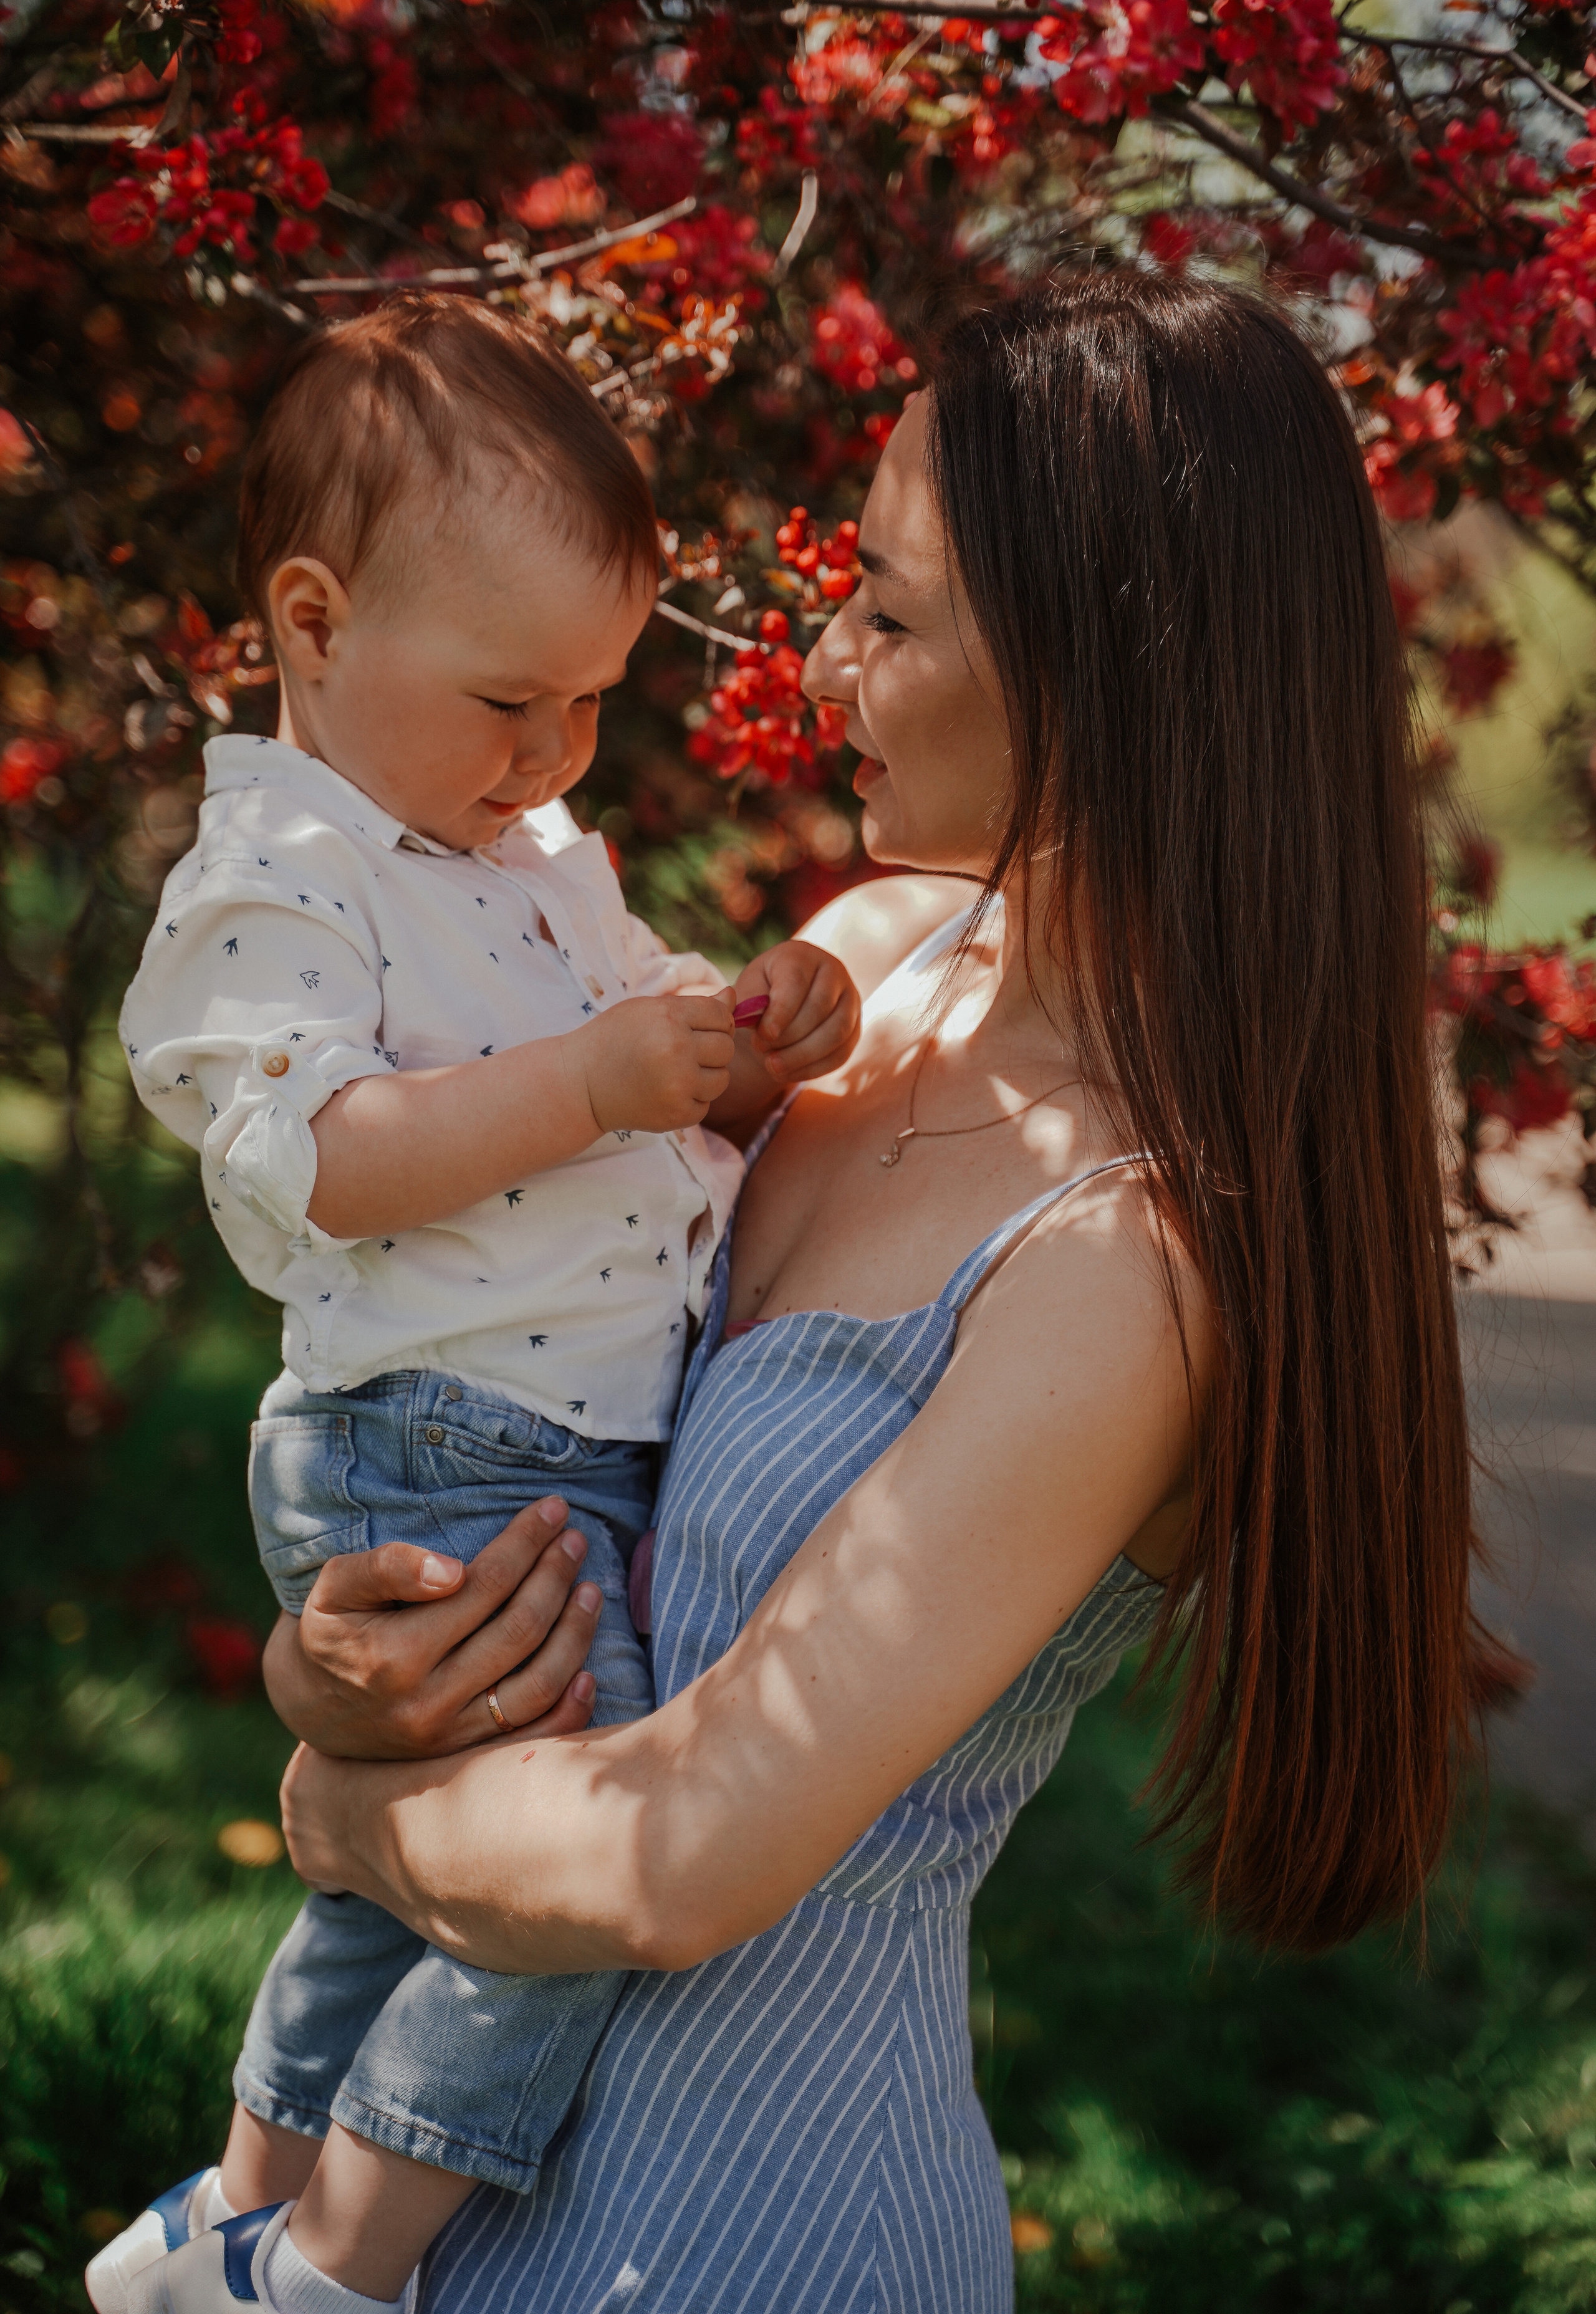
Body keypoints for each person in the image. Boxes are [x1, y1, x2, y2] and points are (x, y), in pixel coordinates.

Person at [174, 270, 1491, 2313]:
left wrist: (341, 1811)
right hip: (444, 2182)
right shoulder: (866, 962)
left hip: (743, 2238)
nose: (820, 659)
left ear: (1096, 669)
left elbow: (687, 1850)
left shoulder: (1129, 1258)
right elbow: (520, 1380)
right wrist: (337, 1672)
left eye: (887, 614)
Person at [99, 296, 860, 2314]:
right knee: (556, 1880)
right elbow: (319, 1165)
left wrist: (740, 1047)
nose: (552, 755)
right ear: (316, 620)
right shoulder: (285, 865)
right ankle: (342, 2273)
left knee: (398, 1888)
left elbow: (633, 1073)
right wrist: (592, 1083)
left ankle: (227, 2225)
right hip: (434, 1439)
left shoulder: (515, 851)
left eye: (594, 704)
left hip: (526, 1439)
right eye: (513, 697)